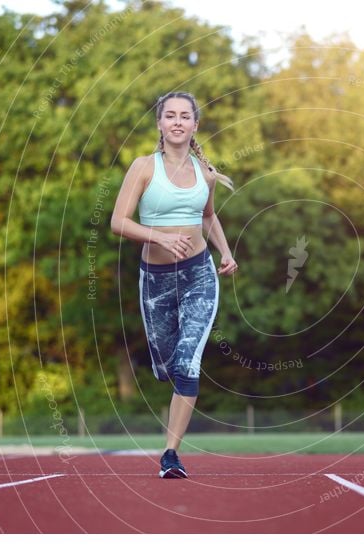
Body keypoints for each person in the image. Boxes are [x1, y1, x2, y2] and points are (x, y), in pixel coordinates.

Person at [110, 91, 237, 479]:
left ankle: (171, 454)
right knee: (167, 366)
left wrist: (226, 252)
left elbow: (208, 216)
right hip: (157, 281)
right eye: (170, 115)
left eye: (185, 116)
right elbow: (118, 222)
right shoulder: (143, 167)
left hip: (199, 274)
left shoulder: (205, 172)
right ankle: (163, 365)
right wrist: (160, 238)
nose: (178, 121)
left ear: (195, 125)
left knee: (188, 362)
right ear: (160, 124)